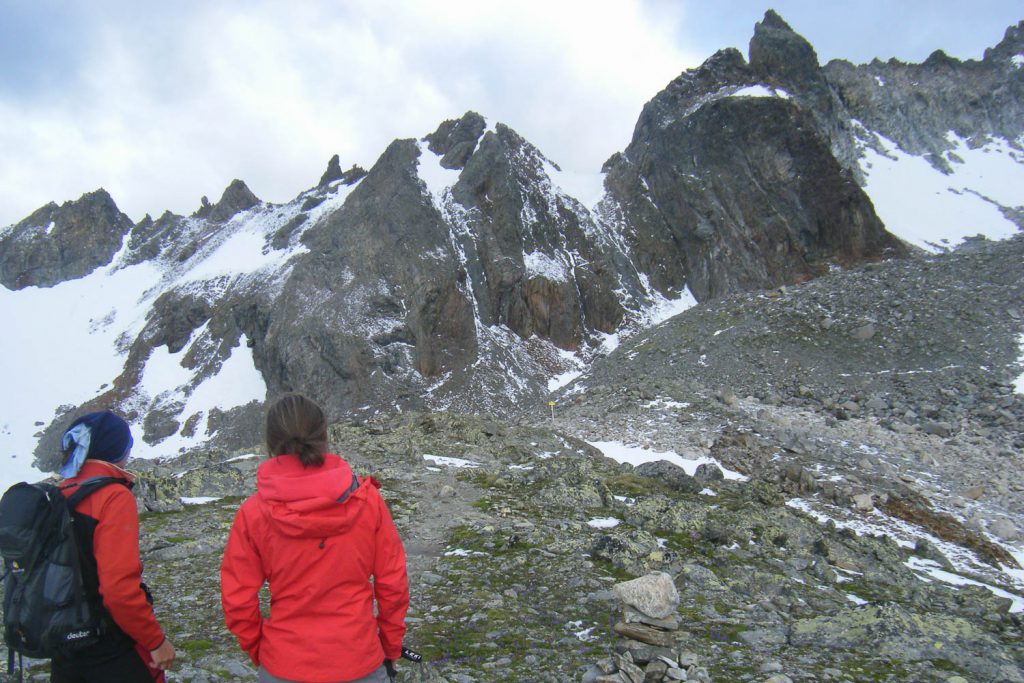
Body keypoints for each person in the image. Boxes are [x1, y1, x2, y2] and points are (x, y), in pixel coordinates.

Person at [221, 393, 409, 683]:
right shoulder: (367, 501)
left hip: (283, 663)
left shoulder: (253, 513)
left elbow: (237, 599)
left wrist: (263, 651)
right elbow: (392, 582)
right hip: (358, 659)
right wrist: (390, 645)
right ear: (324, 436)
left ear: (271, 443)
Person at [52, 410, 176, 683]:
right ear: (115, 450)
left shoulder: (59, 494)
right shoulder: (112, 496)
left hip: (64, 645)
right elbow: (118, 589)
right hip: (108, 647)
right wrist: (155, 642)